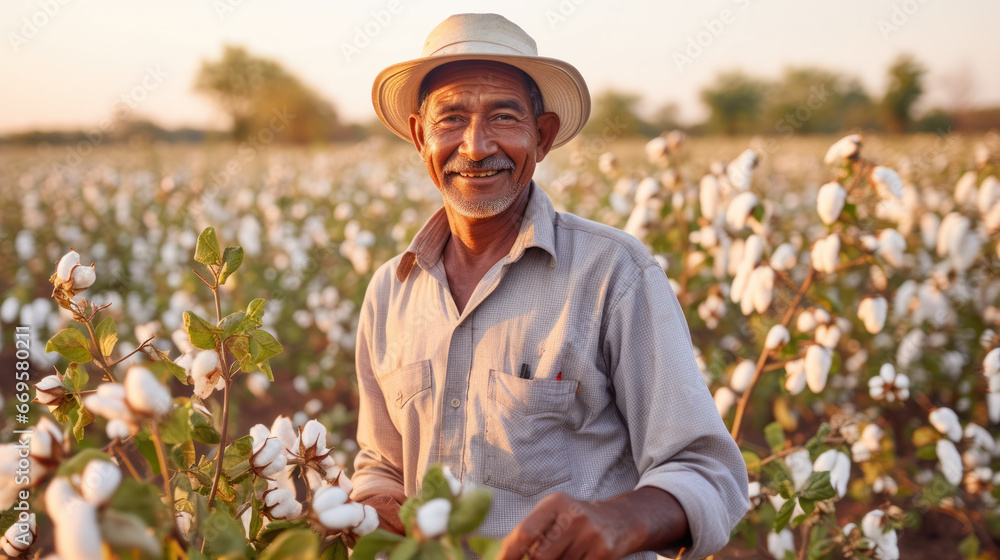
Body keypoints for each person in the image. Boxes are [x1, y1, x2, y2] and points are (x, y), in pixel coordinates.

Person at [351, 13, 749, 559]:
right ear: (421, 136)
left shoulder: (614, 273)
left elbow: (709, 472)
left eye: (504, 117)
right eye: (451, 120)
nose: (475, 146)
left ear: (542, 137)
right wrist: (374, 503)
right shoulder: (389, 292)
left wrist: (622, 520)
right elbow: (383, 461)